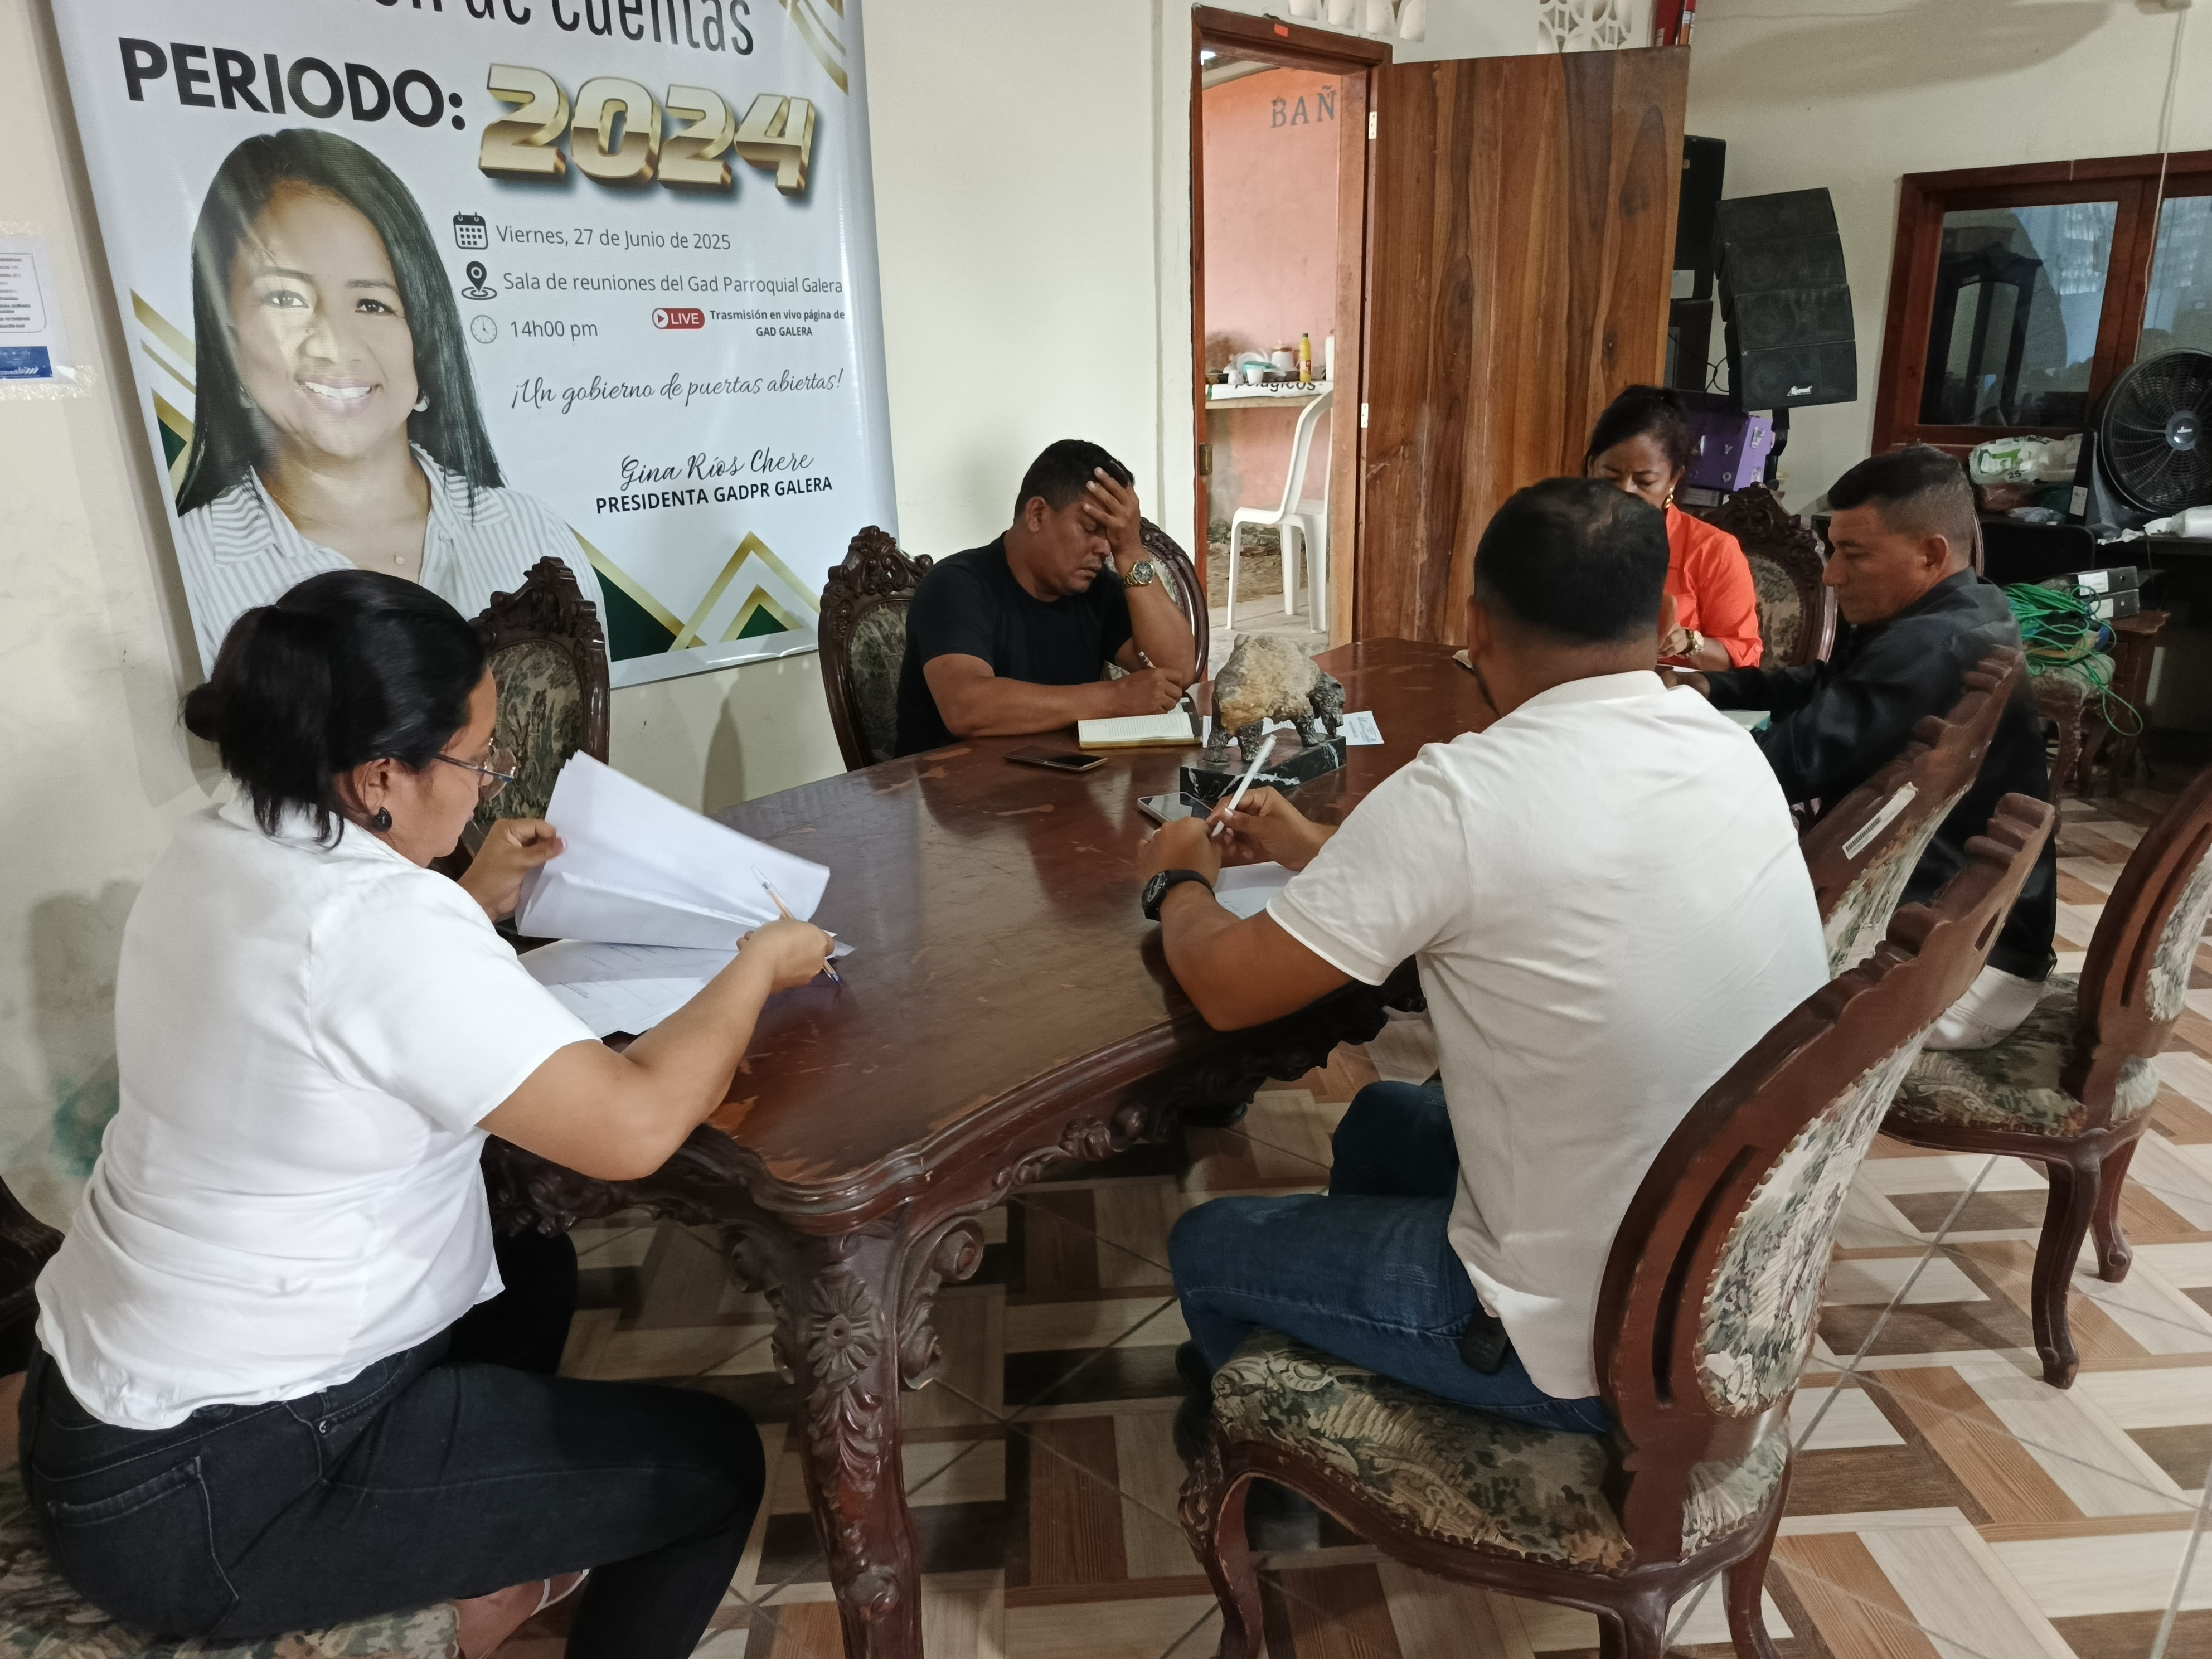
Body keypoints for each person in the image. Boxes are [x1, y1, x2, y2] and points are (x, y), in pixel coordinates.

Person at [23, 571, 833, 1659]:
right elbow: (634, 1126)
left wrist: (468, 892)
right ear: (378, 778)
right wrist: (755, 968)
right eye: (476, 760)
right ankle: (451, 1555)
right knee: (711, 1469)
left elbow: (333, 996)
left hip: (97, 1418)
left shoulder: (218, 844)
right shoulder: (379, 924)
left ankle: (477, 1545)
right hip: (214, 1500)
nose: (489, 784)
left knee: (530, 1262)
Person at [1136, 478, 1825, 1444]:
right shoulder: (1727, 749)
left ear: (1477, 627)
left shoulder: (1462, 795)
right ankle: (1340, 1334)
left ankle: (1290, 1450)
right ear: (1665, 617)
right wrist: (1310, 846)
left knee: (1207, 1243)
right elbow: (1509, 875)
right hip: (1732, 1273)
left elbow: (1225, 987)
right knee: (1380, 1122)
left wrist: (1179, 880)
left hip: (1584, 1345)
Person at [172, 129, 607, 675]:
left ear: (422, 338)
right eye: (284, 298)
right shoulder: (186, 570)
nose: (336, 343)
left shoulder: (530, 535)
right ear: (227, 342)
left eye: (372, 304)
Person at [1687, 445, 2058, 1049]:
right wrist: (1711, 686)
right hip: (1971, 938)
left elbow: (1777, 770)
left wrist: (1652, 749)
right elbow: (1831, 685)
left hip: (1959, 975)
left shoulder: (1928, 648)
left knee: (1671, 959)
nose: (1832, 576)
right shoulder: (1965, 606)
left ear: (1930, 553)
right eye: (1832, 550)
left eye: (1853, 554)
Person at [894, 440, 1200, 755]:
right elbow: (966, 707)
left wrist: (1131, 551)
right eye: (1091, 528)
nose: (1105, 548)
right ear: (1037, 514)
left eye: (1111, 536)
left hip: (1061, 775)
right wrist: (1115, 698)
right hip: (955, 780)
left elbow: (1176, 672)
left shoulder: (1096, 589)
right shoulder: (956, 584)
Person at [1585, 384, 1763, 672]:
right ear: (1592, 467)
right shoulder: (1565, 534)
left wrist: (1688, 643)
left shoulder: (1712, 550)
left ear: (1673, 479)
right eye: (1610, 477)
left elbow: (1744, 658)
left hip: (1670, 692)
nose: (1625, 491)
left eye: (1644, 482)